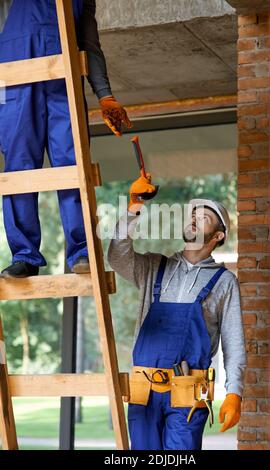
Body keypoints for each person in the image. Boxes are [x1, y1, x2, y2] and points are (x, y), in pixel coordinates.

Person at [108, 172, 247, 450]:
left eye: (204, 217)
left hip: (190, 392)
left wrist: (235, 393)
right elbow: (116, 255)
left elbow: (234, 342)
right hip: (144, 389)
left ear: (218, 235)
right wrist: (134, 205)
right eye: (192, 214)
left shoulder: (225, 282)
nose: (194, 218)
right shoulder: (154, 267)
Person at [0, 0, 132, 278]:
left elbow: (90, 44)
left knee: (72, 165)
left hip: (64, 86)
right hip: (15, 83)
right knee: (18, 169)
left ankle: (82, 251)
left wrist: (105, 94)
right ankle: (24, 255)